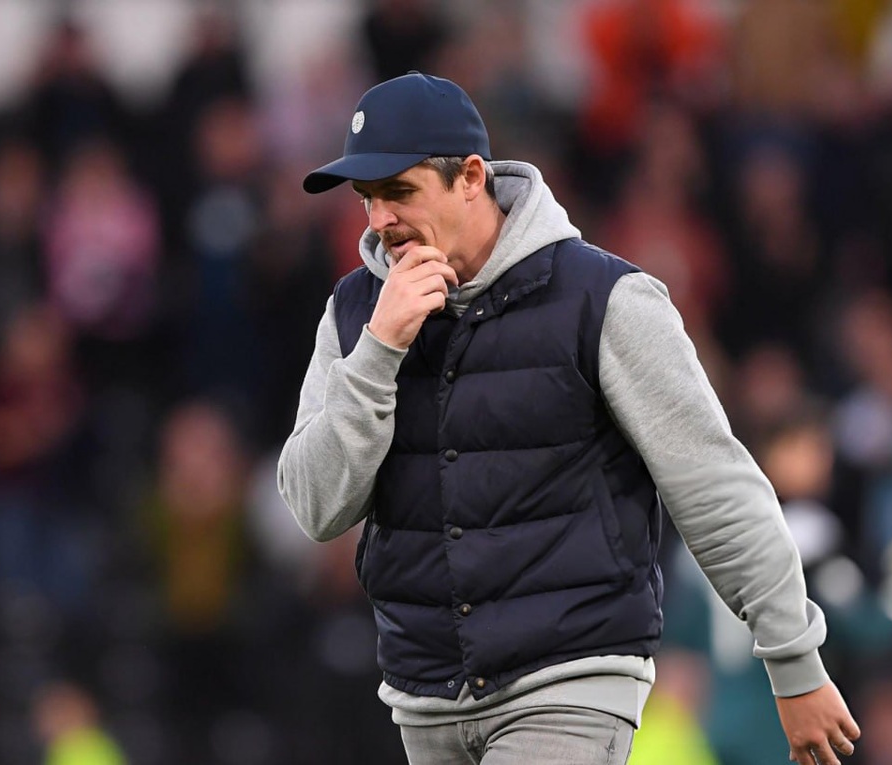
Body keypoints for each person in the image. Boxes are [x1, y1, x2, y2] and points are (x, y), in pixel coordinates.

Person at [277, 72, 860, 765]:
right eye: (366, 198)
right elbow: (316, 509)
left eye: (399, 191)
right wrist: (379, 351)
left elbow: (714, 485)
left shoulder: (605, 298)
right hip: (424, 698)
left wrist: (794, 661)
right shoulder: (356, 315)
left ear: (471, 177)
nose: (378, 220)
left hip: (571, 683)